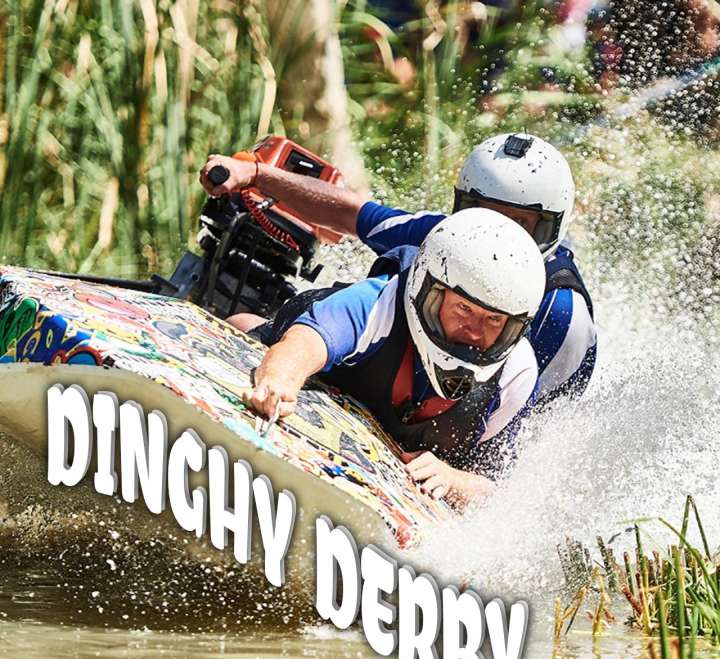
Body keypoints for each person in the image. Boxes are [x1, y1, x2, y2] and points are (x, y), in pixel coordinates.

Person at [200, 131, 597, 408]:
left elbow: (530, 432)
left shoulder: (562, 315)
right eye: (483, 211)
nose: (495, 233)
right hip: (390, 386)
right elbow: (353, 214)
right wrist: (256, 175)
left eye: (519, 223)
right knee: (242, 322)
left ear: (550, 226)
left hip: (453, 434)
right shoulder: (448, 238)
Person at [216, 209, 546, 511]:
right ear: (430, 291)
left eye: (493, 321)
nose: (474, 331)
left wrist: (455, 480)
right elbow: (305, 343)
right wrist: (279, 381)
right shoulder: (378, 302)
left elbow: (499, 488)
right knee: (244, 329)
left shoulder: (516, 374)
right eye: (464, 309)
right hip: (313, 359)